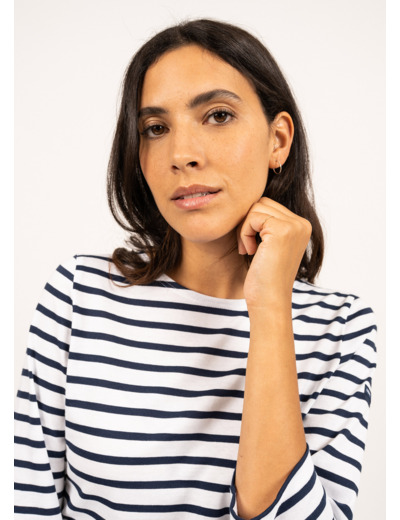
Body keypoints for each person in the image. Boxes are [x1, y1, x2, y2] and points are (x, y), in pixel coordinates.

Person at [14, 19, 377, 520]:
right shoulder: (79, 296)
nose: (181, 155)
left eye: (218, 115)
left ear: (278, 140)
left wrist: (271, 307)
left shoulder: (341, 329)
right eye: (155, 128)